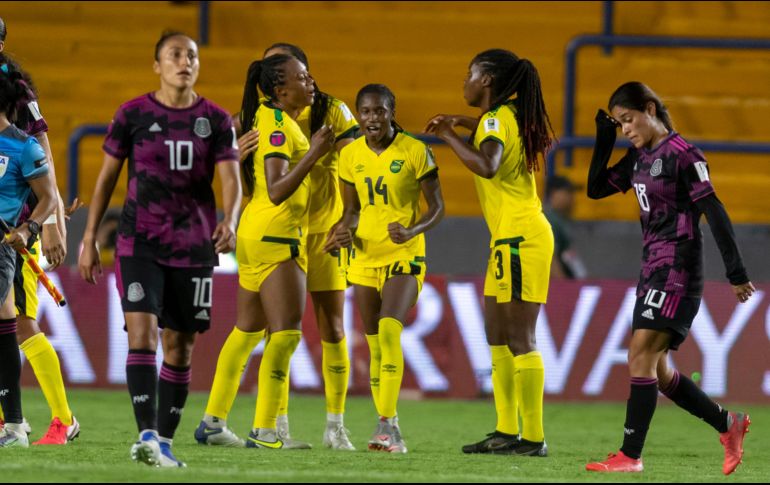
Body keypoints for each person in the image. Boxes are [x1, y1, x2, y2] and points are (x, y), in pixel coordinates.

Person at [78, 31, 241, 467]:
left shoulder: (216, 120)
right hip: (139, 242)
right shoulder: (132, 114)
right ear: (157, 65)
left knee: (180, 346)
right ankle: (147, 435)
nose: (185, 62)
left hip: (193, 246)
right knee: (143, 336)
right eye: (175, 55)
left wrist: (230, 219)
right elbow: (106, 179)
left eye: (192, 55)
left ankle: (164, 444)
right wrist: (89, 238)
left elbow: (231, 179)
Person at [584, 82, 754, 474]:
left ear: (650, 109)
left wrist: (736, 272)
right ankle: (728, 423)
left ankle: (630, 455)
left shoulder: (684, 155)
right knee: (659, 371)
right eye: (620, 124)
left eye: (629, 120)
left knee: (640, 355)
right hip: (651, 268)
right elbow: (595, 189)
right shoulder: (639, 157)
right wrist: (604, 139)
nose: (626, 129)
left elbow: (715, 210)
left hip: (678, 268)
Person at [196, 43, 358, 451]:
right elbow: (277, 187)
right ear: (281, 89)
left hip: (257, 232)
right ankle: (266, 430)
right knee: (285, 335)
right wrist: (315, 152)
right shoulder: (279, 126)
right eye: (301, 77)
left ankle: (213, 421)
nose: (310, 82)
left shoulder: (267, 116)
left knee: (246, 331)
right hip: (278, 235)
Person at [425, 48, 555, 457]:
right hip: (506, 239)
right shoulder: (505, 116)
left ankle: (533, 438)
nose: (463, 81)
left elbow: (488, 164)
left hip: (520, 238)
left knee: (520, 339)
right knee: (497, 337)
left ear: (485, 80)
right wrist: (465, 122)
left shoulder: (496, 120)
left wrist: (448, 135)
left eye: (470, 73)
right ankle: (505, 430)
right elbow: (493, 133)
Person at [326, 83, 444, 453]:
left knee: (390, 332)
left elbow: (438, 207)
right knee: (375, 345)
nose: (372, 118)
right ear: (358, 115)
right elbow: (351, 210)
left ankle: (385, 426)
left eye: (379, 110)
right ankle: (389, 425)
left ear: (392, 112)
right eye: (365, 111)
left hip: (404, 255)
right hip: (364, 257)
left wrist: (412, 230)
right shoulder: (350, 155)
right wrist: (342, 231)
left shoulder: (415, 150)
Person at [0, 15, 80, 445]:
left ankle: (62, 419)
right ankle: (9, 418)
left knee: (19, 321)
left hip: (17, 225)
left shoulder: (17, 90)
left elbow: (42, 152)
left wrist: (50, 223)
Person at [0, 62, 57, 448]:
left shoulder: (24, 146)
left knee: (14, 323)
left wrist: (31, 228)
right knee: (7, 322)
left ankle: (21, 423)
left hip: (3, 246)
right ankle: (14, 424)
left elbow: (48, 196)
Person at [543, 175, 587, 279]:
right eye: (567, 192)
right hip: (556, 285)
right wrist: (563, 285)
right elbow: (550, 257)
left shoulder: (561, 219)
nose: (572, 197)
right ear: (554, 193)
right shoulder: (550, 219)